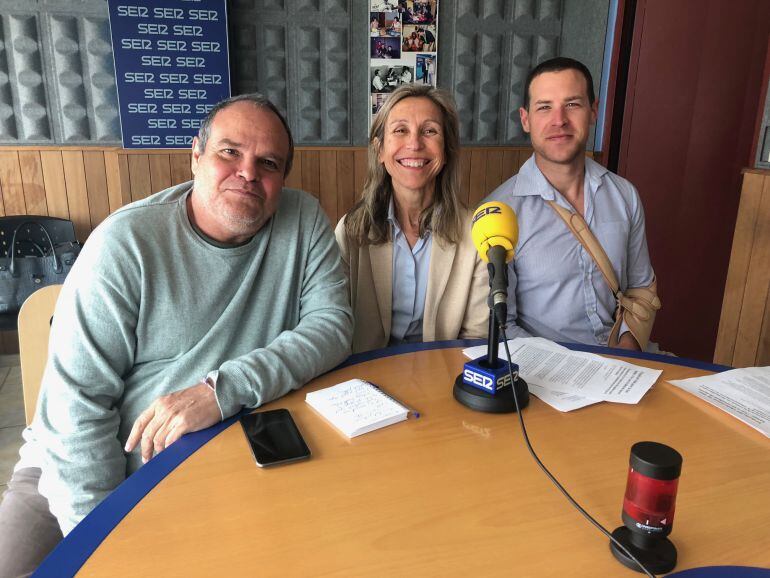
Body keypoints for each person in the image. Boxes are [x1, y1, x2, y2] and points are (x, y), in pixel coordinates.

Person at [0, 93, 353, 575]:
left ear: (283, 179)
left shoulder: (304, 219)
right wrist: (105, 538)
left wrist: (222, 390)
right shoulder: (124, 244)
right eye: (230, 152)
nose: (248, 173)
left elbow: (331, 327)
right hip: (74, 466)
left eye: (268, 163)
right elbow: (75, 409)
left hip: (215, 460)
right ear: (196, 156)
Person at [484, 57, 659, 350]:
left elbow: (641, 288)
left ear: (593, 112)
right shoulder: (500, 212)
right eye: (544, 107)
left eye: (573, 104)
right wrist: (573, 367)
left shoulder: (624, 195)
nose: (559, 120)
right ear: (525, 119)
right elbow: (503, 325)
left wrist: (627, 351)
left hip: (624, 357)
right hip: (545, 367)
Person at [335, 84, 487, 353]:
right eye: (400, 130)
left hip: (444, 371)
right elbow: (335, 328)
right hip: (366, 372)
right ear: (380, 150)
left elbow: (476, 338)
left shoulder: (476, 233)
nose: (415, 144)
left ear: (446, 150)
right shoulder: (350, 232)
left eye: (430, 131)